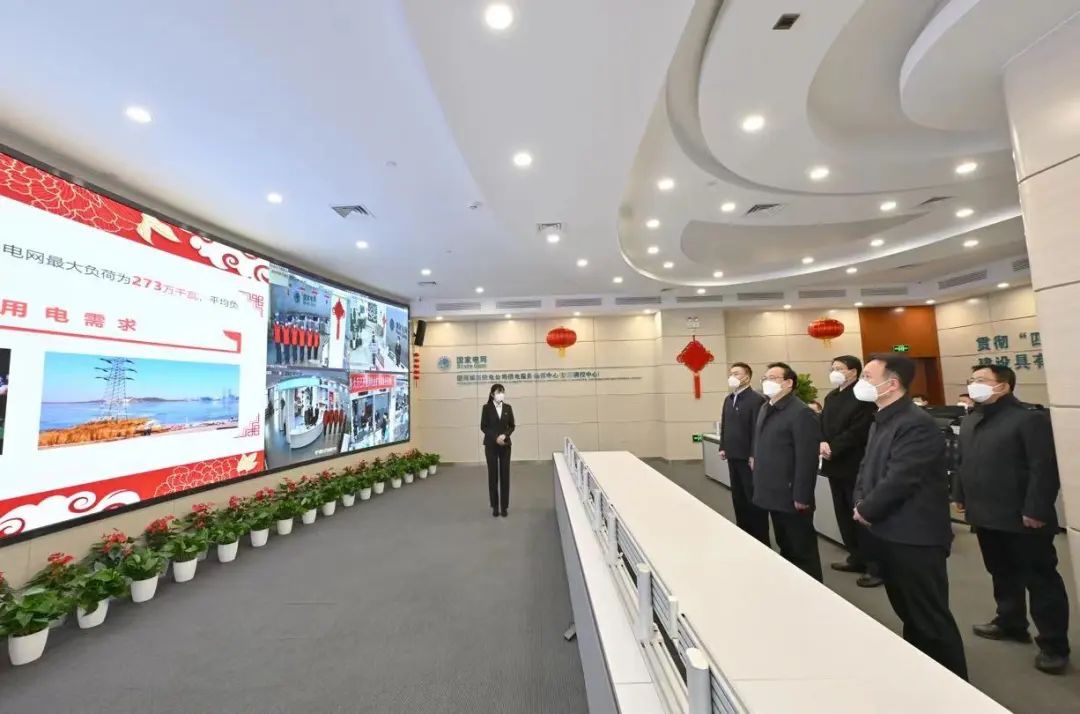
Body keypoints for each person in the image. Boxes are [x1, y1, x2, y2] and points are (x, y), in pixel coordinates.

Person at [853, 354, 968, 679]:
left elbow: (902, 478)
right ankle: (925, 675)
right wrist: (860, 502)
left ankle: (954, 685)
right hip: (888, 531)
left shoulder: (916, 423)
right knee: (909, 613)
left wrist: (867, 509)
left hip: (915, 536)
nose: (862, 382)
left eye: (867, 376)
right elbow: (866, 468)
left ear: (891, 384)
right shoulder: (882, 419)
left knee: (929, 617)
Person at [953, 364, 1069, 675]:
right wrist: (959, 494)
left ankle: (1054, 644)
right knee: (1001, 572)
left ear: (1003, 386)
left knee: (1040, 579)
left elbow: (1043, 468)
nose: (973, 385)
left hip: (1022, 516)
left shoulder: (1029, 419)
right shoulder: (971, 419)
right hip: (985, 514)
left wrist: (1036, 509)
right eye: (971, 379)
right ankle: (1011, 621)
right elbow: (962, 462)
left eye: (981, 380)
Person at [751, 362, 823, 580]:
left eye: (773, 378)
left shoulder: (801, 413)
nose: (767, 382)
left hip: (791, 494)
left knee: (800, 547)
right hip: (771, 490)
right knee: (785, 543)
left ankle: (812, 587)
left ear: (789, 383)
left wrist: (802, 495)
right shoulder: (766, 407)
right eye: (765, 378)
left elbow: (807, 458)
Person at [820, 356, 882, 587]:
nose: (834, 371)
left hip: (855, 462)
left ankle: (876, 566)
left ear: (853, 372)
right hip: (833, 462)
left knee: (861, 515)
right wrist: (822, 442)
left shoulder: (863, 395)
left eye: (839, 368)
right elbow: (822, 423)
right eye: (832, 367)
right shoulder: (831, 396)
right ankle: (856, 557)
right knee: (844, 514)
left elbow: (860, 429)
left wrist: (834, 447)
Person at [719, 362, 770, 546]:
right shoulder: (729, 399)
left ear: (747, 377)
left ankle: (760, 539)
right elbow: (725, 424)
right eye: (731, 373)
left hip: (748, 458)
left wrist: (754, 454)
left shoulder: (756, 399)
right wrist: (723, 446)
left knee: (752, 498)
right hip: (733, 455)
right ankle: (743, 533)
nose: (732, 376)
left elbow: (758, 429)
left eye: (737, 373)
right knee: (738, 497)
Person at [480, 383, 515, 518]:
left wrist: (504, 435)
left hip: (505, 445)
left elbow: (512, 426)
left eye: (502, 392)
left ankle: (504, 507)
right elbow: (484, 426)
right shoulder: (486, 408)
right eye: (498, 392)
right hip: (491, 445)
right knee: (493, 476)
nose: (501, 394)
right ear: (492, 394)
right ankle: (495, 506)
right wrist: (496, 437)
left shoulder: (508, 408)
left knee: (505, 476)